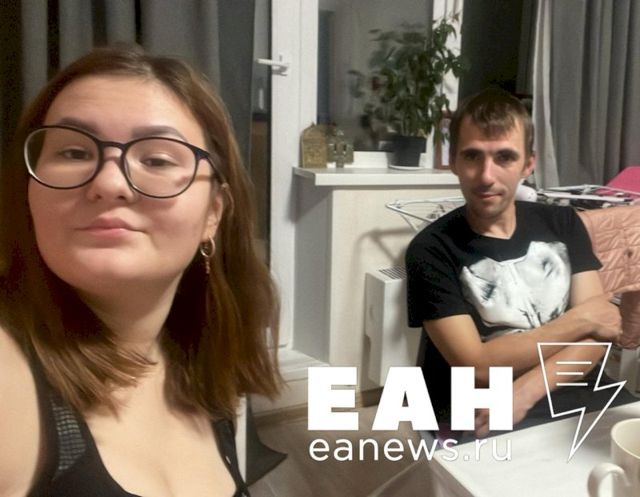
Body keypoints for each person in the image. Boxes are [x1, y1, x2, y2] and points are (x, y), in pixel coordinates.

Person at [0, 45, 281, 497]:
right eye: (73, 152)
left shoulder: (203, 363)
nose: (109, 183)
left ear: (213, 214)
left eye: (156, 160)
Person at [405, 88, 630, 438]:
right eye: (472, 156)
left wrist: (525, 391)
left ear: (528, 164)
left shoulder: (563, 223)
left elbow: (598, 335)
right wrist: (582, 319)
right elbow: (477, 366)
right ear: (454, 162)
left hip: (572, 388)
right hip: (480, 410)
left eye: (505, 157)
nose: (486, 176)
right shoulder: (430, 249)